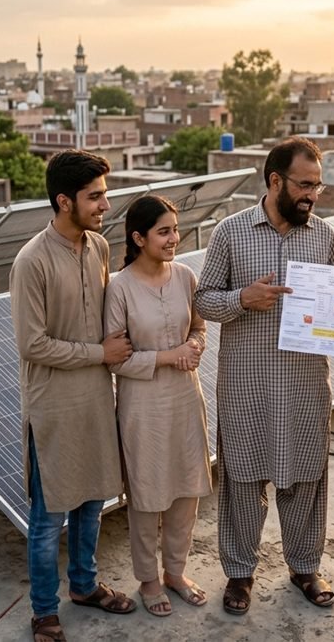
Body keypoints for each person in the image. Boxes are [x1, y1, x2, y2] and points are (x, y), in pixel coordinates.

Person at [194, 136, 334, 616]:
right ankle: (240, 573)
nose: (311, 195)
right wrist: (242, 299)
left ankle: (305, 567)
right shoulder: (231, 232)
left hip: (305, 384)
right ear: (275, 181)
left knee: (305, 477)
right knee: (243, 479)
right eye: (304, 185)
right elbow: (204, 300)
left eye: (317, 186)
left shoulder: (322, 236)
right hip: (247, 385)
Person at [10, 149, 138, 642]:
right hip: (54, 407)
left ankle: (84, 586)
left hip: (96, 399)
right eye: (95, 197)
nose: (106, 206)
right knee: (48, 518)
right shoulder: (32, 261)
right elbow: (32, 344)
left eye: (105, 195)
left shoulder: (98, 247)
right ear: (65, 201)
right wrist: (99, 352)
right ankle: (44, 611)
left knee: (91, 503)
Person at [104, 195, 212, 617]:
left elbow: (199, 327)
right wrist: (170, 356)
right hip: (143, 406)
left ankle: (176, 573)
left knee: (186, 490)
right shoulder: (119, 287)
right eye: (164, 231)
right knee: (147, 495)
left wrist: (195, 346)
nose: (174, 238)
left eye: (175, 229)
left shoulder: (185, 276)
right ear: (138, 238)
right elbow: (116, 358)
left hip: (186, 399)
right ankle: (148, 578)